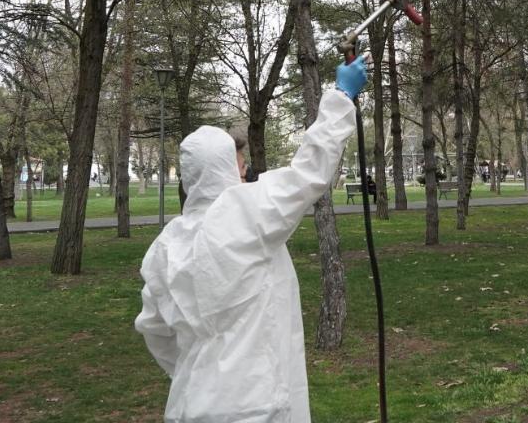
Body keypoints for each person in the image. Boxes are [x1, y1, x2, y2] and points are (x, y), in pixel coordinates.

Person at [135, 57, 368, 423]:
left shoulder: (165, 247)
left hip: (191, 405)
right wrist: (341, 96)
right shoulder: (246, 214)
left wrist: (199, 374)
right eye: (241, 167)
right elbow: (309, 172)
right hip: (256, 406)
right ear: (228, 170)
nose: (246, 174)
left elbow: (155, 329)